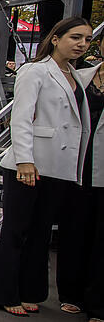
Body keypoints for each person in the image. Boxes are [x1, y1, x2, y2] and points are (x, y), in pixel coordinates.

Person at [0, 17, 92, 316]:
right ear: (56, 38)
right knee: (17, 230)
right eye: (76, 37)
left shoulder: (78, 76)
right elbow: (21, 117)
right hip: (28, 163)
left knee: (41, 232)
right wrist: (24, 160)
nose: (82, 44)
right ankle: (4, 291)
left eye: (87, 39)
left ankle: (30, 289)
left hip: (61, 165)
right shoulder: (35, 71)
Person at [74, 43, 104, 322]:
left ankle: (98, 303)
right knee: (77, 229)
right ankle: (72, 293)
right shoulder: (82, 75)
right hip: (78, 160)